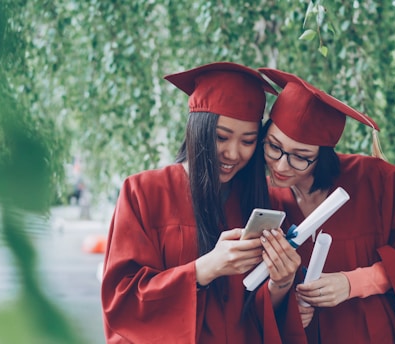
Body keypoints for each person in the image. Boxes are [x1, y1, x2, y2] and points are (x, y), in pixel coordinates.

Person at [101, 62, 306, 343]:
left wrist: (281, 284)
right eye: (221, 137)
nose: (233, 153)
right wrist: (205, 269)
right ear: (198, 129)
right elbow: (122, 301)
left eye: (248, 141)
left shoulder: (263, 203)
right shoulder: (143, 192)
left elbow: (260, 315)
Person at [258, 67, 395, 344]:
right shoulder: (264, 199)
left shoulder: (378, 180)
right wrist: (286, 306)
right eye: (273, 146)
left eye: (301, 157)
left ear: (323, 156)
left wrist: (354, 283)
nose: (280, 165)